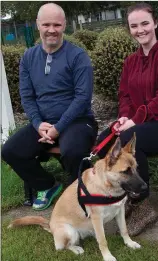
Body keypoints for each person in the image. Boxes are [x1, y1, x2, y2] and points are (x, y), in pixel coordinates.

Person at [97, 3, 158, 236]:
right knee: (105, 139)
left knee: (132, 137)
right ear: (128, 29)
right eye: (134, 26)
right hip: (146, 122)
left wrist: (135, 121)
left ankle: (141, 205)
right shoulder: (131, 61)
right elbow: (125, 95)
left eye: (144, 24)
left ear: (155, 23)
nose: (140, 30)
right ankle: (124, 195)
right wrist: (123, 118)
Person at [2, 3, 98, 211]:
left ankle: (81, 195)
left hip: (77, 121)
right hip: (43, 123)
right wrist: (38, 124)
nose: (51, 29)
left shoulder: (78, 56)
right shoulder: (28, 57)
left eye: (57, 24)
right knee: (10, 151)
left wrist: (58, 128)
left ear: (64, 25)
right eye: (46, 24)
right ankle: (46, 185)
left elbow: (82, 98)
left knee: (72, 150)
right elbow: (27, 96)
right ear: (38, 25)